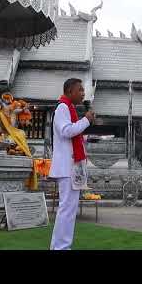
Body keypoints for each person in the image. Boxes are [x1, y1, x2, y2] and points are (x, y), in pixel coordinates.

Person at [50, 78, 95, 250]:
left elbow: (72, 134)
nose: (83, 93)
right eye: (80, 90)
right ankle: (61, 247)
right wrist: (86, 121)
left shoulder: (70, 109)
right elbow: (66, 131)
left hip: (72, 166)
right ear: (70, 91)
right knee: (67, 209)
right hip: (66, 167)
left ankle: (59, 246)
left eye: (83, 90)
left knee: (69, 209)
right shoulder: (63, 107)